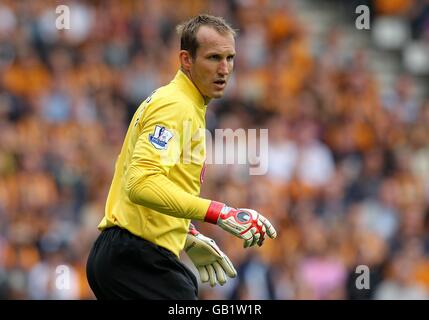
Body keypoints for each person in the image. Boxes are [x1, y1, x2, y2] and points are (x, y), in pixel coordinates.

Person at [86, 14, 277, 300]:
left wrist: (185, 234)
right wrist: (220, 213)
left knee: (187, 283)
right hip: (134, 257)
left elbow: (159, 185)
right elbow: (140, 183)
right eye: (213, 58)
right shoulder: (176, 106)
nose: (224, 69)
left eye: (230, 58)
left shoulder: (187, 106)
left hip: (131, 255)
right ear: (186, 60)